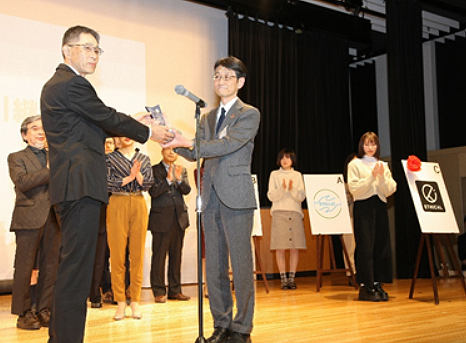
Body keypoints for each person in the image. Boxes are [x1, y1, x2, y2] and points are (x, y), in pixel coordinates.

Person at [40, 25, 174, 343]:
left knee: (72, 267)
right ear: (66, 50)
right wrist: (149, 132)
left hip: (74, 186)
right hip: (80, 185)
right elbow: (106, 117)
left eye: (97, 49)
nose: (93, 54)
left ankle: (59, 337)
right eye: (86, 47)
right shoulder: (72, 83)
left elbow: (99, 122)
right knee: (77, 270)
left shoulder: (63, 86)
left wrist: (133, 122)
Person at [166, 56, 260, 343]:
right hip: (210, 197)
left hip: (236, 196)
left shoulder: (249, 113)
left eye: (227, 77)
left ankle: (242, 328)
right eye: (217, 76)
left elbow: (228, 144)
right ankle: (221, 324)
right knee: (215, 265)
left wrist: (190, 143)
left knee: (241, 265)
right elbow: (198, 153)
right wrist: (173, 141)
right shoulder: (207, 118)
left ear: (240, 82)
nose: (220, 82)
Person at [8, 115, 61, 330]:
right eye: (35, 129)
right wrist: (49, 170)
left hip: (54, 217)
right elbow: (23, 182)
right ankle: (24, 313)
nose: (41, 133)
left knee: (50, 266)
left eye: (44, 129)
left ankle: (43, 309)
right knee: (25, 267)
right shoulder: (16, 157)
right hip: (28, 218)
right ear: (24, 135)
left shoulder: (56, 157)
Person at [106, 137, 153, 320]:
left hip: (139, 202)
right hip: (118, 200)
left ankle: (135, 301)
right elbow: (107, 183)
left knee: (137, 254)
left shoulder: (144, 158)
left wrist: (138, 176)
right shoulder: (109, 158)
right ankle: (120, 302)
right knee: (117, 254)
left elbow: (148, 184)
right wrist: (129, 178)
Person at [347, 132, 397, 302]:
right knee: (365, 246)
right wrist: (371, 176)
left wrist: (381, 176)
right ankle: (365, 284)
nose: (370, 147)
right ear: (362, 146)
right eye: (367, 144)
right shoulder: (355, 164)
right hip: (363, 207)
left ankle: (377, 282)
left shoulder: (383, 164)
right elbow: (354, 189)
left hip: (380, 206)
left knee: (381, 245)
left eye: (373, 144)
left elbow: (390, 188)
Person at [149, 147, 191, 303]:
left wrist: (179, 180)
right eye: (168, 149)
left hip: (179, 219)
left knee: (176, 256)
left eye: (175, 150)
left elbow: (186, 190)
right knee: (159, 256)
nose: (172, 153)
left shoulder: (182, 169)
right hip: (160, 219)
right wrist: (167, 179)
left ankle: (175, 290)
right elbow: (153, 192)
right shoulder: (154, 170)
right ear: (162, 151)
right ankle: (159, 291)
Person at [267, 148, 306, 290]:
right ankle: (283, 278)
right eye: (282, 157)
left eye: (288, 157)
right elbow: (271, 196)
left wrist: (291, 189)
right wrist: (282, 189)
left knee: (295, 248)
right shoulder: (274, 174)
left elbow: (301, 196)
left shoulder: (297, 175)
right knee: (280, 247)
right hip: (279, 213)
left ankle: (292, 278)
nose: (285, 160)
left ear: (292, 160)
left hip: (295, 213)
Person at [343, 152, 357, 285]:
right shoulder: (342, 184)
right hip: (348, 218)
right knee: (349, 246)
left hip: (362, 217)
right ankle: (351, 273)